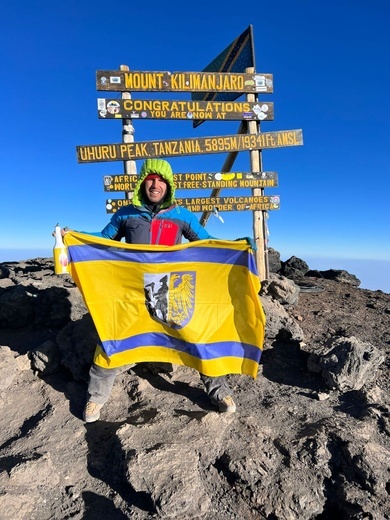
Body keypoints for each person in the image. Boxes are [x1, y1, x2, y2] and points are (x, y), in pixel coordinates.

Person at [63, 158, 253, 422]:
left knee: (196, 336)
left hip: (170, 291)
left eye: (161, 179)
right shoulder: (125, 214)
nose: (155, 184)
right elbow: (102, 240)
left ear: (169, 185)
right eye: (150, 178)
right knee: (112, 338)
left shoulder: (182, 216)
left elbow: (208, 243)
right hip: (133, 290)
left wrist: (235, 245)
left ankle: (218, 389)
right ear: (142, 182)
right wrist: (74, 235)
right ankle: (96, 398)